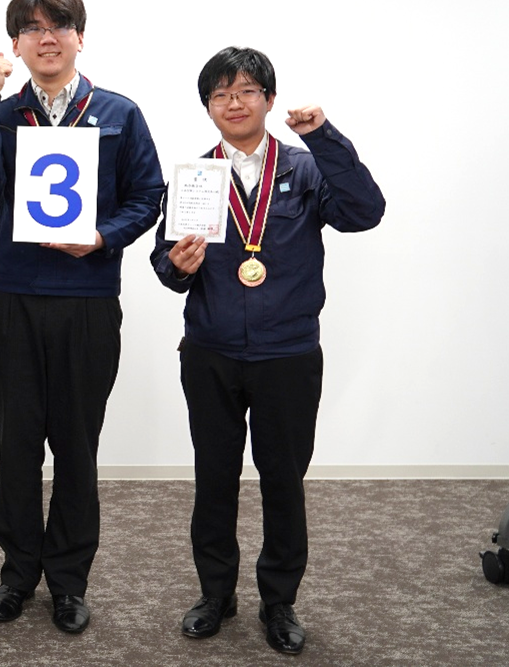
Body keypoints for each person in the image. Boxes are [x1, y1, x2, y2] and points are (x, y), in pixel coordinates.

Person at [151, 46, 384, 655]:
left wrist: (324, 137)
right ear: (208, 107)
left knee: (283, 481)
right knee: (214, 478)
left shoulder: (306, 168)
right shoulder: (195, 177)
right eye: (221, 94)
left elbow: (365, 212)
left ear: (269, 100)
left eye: (247, 91)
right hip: (211, 351)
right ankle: (215, 594)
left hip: (288, 354)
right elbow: (163, 264)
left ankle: (279, 602)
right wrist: (177, 266)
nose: (234, 102)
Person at [0, 0, 164, 633]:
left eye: (59, 27)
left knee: (77, 446)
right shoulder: (3, 110)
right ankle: (16, 575)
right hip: (13, 295)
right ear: (15, 44)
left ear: (80, 37)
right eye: (31, 29)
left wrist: (103, 237)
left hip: (86, 299)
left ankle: (69, 582)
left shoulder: (117, 112)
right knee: (18, 443)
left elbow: (148, 195)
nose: (46, 38)